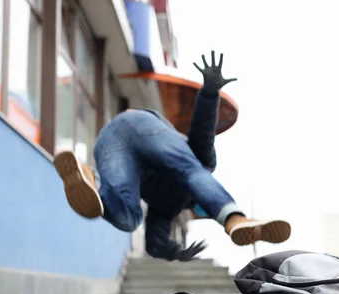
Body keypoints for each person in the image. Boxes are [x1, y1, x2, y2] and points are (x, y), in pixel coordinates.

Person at [53, 51, 291, 262]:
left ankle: (89, 179)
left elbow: (154, 243)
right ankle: (234, 218)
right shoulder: (202, 165)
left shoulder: (165, 210)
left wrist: (176, 252)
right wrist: (209, 93)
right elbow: (202, 132)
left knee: (128, 217)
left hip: (111, 140)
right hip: (144, 126)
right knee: (194, 169)